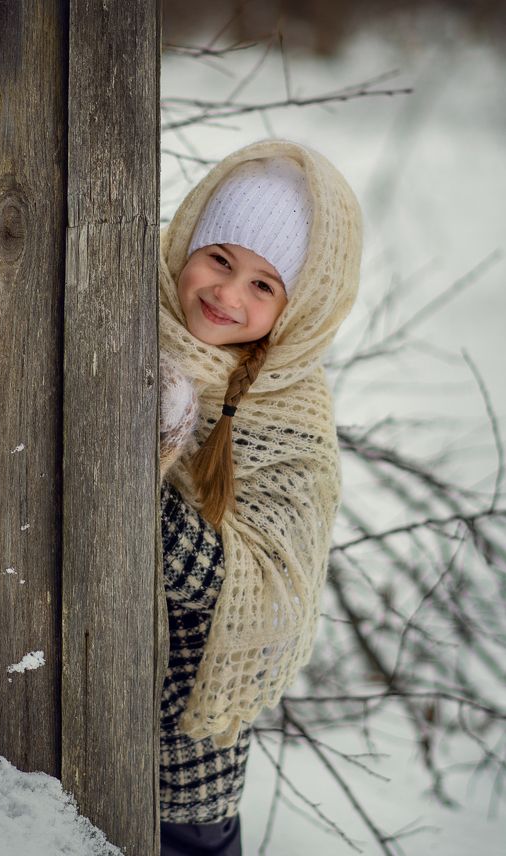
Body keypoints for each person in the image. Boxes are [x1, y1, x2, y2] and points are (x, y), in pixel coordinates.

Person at [157, 138, 363, 855]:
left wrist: (134, 496)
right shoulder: (111, 321)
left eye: (263, 285)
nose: (226, 294)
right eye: (218, 258)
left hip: (176, 778)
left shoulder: (290, 421)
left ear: (295, 306)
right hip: (48, 721)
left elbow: (260, 592)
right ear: (186, 242)